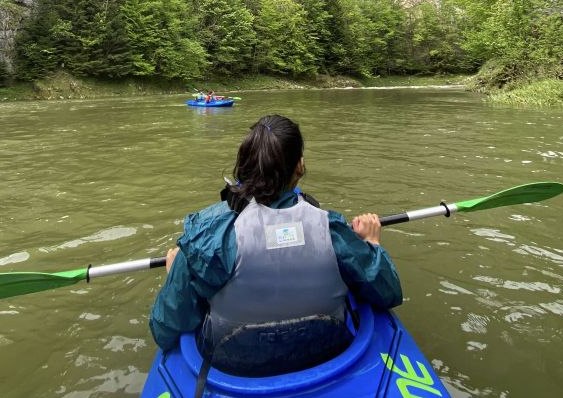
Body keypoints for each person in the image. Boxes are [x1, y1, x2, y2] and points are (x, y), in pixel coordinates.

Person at [149, 114, 402, 377]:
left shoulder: (205, 237)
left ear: (244, 167)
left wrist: (176, 275)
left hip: (234, 366)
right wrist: (371, 244)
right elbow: (388, 293)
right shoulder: (331, 228)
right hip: (323, 357)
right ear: (300, 167)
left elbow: (165, 330)